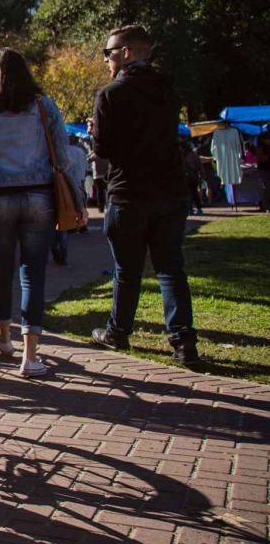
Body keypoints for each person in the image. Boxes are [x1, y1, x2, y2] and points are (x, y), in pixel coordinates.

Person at [88, 25, 200, 368]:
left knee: (127, 269)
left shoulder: (111, 94)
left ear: (126, 53)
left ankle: (118, 332)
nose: (106, 59)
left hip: (129, 192)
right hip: (170, 190)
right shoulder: (168, 91)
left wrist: (96, 132)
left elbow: (104, 150)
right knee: (170, 268)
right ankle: (183, 343)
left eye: (109, 53)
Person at [0, 48, 77, 379]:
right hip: (40, 195)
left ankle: (2, 333)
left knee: (0, 269)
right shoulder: (45, 107)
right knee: (33, 273)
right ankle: (30, 357)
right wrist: (79, 201)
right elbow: (63, 156)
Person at [51, 135, 92, 265]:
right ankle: (63, 250)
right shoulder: (78, 151)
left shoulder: (62, 154)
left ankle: (57, 251)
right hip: (75, 180)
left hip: (60, 186)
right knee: (63, 221)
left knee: (54, 226)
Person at [181, 139, 205, 216]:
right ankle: (198, 209)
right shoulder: (193, 154)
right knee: (194, 193)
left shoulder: (180, 155)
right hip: (193, 176)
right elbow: (199, 165)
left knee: (187, 194)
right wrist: (202, 175)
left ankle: (190, 209)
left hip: (184, 177)